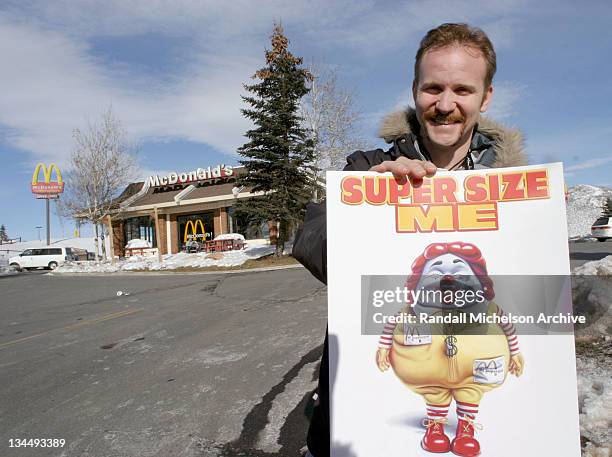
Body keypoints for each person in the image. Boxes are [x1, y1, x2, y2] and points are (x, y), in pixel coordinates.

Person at [293, 23, 528, 457]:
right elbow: (311, 243)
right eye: (432, 88)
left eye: (462, 89)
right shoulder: (367, 168)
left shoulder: (517, 186)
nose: (444, 104)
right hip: (370, 420)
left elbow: (530, 299)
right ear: (415, 89)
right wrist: (360, 210)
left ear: (486, 96)